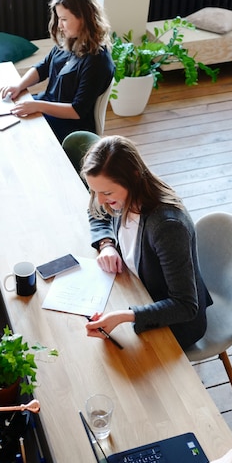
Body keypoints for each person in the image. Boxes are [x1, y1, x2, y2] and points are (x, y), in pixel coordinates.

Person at [81, 135, 211, 349]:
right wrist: (107, 244)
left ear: (133, 177)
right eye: (95, 191)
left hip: (173, 323)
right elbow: (96, 210)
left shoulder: (167, 227)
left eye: (106, 193)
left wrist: (126, 316)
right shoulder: (121, 194)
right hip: (136, 290)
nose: (101, 199)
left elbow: (185, 306)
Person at [0, 0, 114, 143]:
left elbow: (77, 111)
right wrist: (19, 85)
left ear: (83, 17)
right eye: (59, 19)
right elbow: (43, 67)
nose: (59, 25)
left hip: (70, 125)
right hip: (49, 106)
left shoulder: (97, 61)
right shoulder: (68, 42)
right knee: (8, 113)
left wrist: (38, 106)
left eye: (64, 19)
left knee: (17, 130)